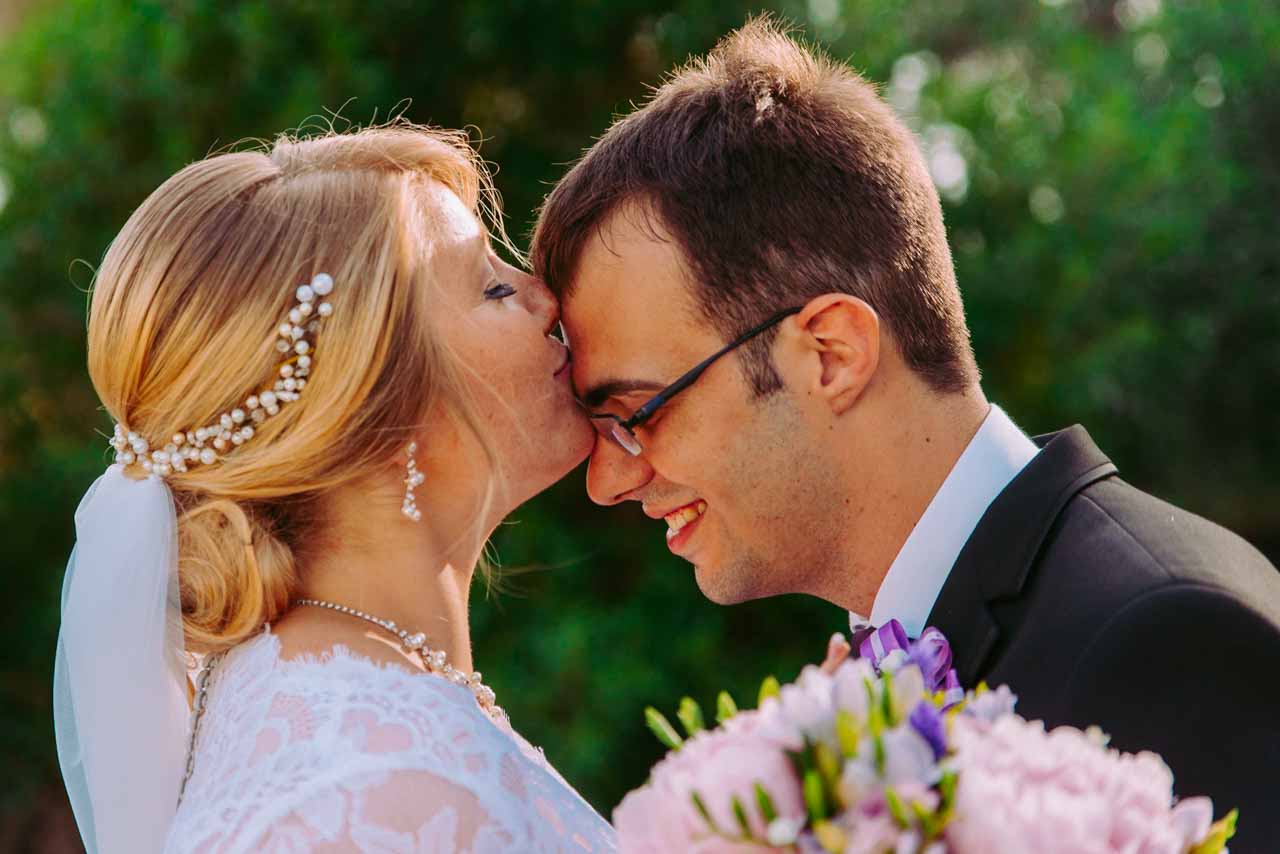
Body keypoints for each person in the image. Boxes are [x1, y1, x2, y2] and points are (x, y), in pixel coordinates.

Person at [531, 18, 1280, 850]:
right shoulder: (872, 674)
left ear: (831, 353)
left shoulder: (1165, 635)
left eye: (638, 411)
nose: (607, 479)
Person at [54, 124, 617, 853]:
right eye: (490, 286)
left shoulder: (354, 702)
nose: (544, 299)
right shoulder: (364, 790)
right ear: (372, 407)